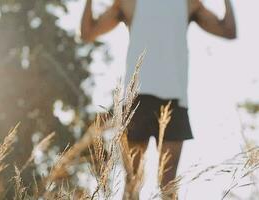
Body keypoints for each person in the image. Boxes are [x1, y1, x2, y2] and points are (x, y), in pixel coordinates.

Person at [80, 0, 236, 198]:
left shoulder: (188, 3)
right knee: (132, 181)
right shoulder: (128, 2)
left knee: (168, 184)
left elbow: (229, 31)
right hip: (137, 98)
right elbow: (88, 33)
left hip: (174, 99)